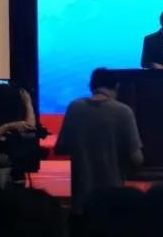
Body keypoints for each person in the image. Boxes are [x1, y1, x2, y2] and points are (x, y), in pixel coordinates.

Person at [54, 68, 143, 215]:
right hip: (112, 200)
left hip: (81, 201)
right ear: (116, 87)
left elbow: (61, 148)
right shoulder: (123, 111)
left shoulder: (74, 108)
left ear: (91, 86)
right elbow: (137, 159)